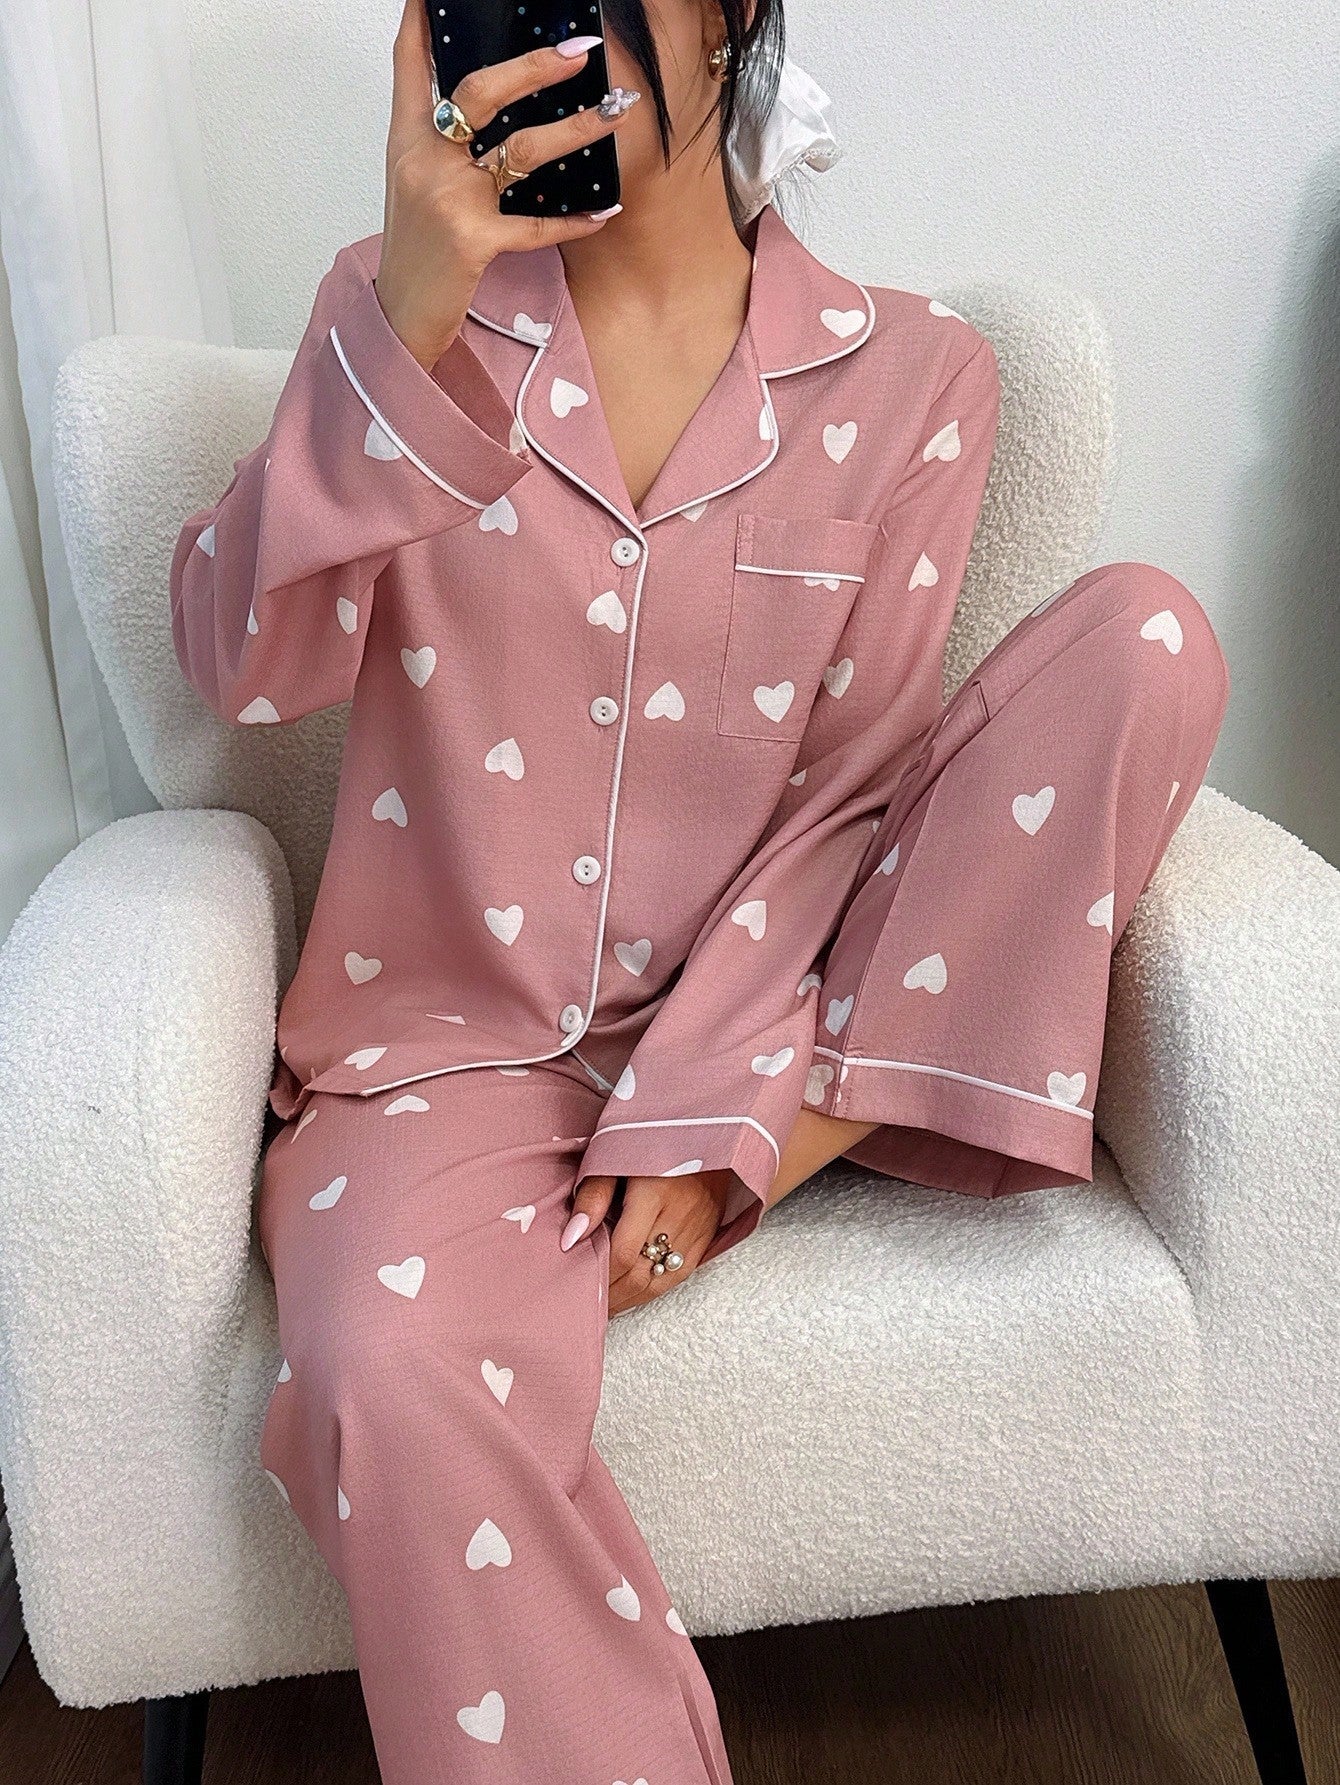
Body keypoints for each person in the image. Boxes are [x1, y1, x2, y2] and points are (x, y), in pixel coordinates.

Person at [167, 0, 1231, 1777]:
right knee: (385, 1360)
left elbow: (848, 800)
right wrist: (404, 312)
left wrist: (724, 1122)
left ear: (737, 16)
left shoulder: (916, 380)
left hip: (777, 1018)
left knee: (1148, 636)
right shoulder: (398, 314)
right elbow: (236, 661)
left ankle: (793, 1139)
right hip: (447, 1048)